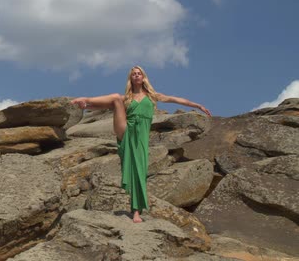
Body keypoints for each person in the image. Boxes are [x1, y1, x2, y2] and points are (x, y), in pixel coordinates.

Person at [71, 66, 211, 223]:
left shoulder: (152, 96)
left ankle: (136, 212)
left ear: (144, 77)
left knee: (139, 173)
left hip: (141, 139)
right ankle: (84, 100)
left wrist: (197, 105)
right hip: (126, 131)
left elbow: (176, 99)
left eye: (139, 74)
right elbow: (109, 104)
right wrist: (89, 106)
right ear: (131, 79)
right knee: (116, 98)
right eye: (134, 74)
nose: (136, 76)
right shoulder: (127, 98)